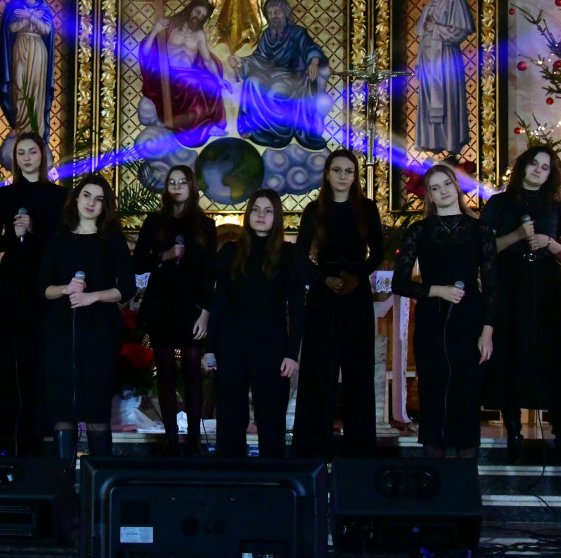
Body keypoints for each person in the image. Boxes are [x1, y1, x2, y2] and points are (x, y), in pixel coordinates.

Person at [480, 147, 561, 464]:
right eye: (534, 163)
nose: (538, 170)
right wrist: (517, 235)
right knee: (512, 354)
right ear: (523, 167)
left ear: (551, 174)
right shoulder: (499, 204)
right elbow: (485, 249)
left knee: (553, 355)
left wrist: (549, 243)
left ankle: (560, 436)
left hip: (546, 289)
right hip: (510, 289)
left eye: (545, 167)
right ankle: (514, 435)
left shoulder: (555, 207)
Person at [392, 164, 495, 458]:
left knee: (466, 392)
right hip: (432, 319)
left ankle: (465, 481)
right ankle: (434, 479)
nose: (442, 192)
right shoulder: (419, 231)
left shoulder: (481, 230)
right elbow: (400, 282)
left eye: (446, 184)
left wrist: (488, 330)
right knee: (433, 389)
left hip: (470, 320)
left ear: (457, 186)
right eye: (435, 188)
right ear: (429, 196)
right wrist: (435, 290)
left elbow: (491, 284)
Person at [38, 175, 136, 471]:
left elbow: (127, 287)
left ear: (105, 205)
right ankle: (62, 488)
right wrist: (67, 290)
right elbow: (44, 288)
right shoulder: (58, 240)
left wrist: (93, 297)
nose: (91, 203)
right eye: (86, 196)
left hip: (99, 331)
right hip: (61, 330)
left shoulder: (112, 240)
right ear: (76, 200)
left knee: (96, 408)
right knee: (63, 409)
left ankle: (100, 488)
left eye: (98, 199)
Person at [291, 149, 384, 459]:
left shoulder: (367, 209)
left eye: (349, 171)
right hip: (323, 294)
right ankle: (313, 449)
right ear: (327, 174)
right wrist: (323, 279)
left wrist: (359, 277)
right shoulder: (313, 210)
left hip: (356, 294)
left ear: (355, 176)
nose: (344, 176)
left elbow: (378, 252)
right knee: (320, 370)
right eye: (338, 170)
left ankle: (359, 450)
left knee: (358, 370)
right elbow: (300, 255)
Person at [203, 189, 303, 458]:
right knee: (231, 420)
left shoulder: (288, 255)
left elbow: (296, 308)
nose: (261, 215)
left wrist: (291, 354)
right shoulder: (230, 252)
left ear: (276, 218)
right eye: (256, 210)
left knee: (271, 421)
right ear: (248, 216)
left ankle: (273, 487)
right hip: (231, 344)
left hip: (271, 346)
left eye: (268, 211)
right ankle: (231, 486)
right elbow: (219, 302)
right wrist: (210, 348)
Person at [0, 131, 67, 456]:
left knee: (42, 350)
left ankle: (42, 422)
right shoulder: (4, 196)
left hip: (45, 281)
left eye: (33, 152)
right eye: (22, 153)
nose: (27, 158)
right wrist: (14, 234)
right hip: (13, 280)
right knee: (11, 350)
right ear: (15, 159)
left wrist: (33, 231)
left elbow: (61, 240)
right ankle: (7, 425)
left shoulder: (58, 196)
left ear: (42, 156)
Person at [132, 165, 217, 456]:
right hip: (162, 303)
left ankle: (194, 435)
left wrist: (206, 311)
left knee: (193, 367)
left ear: (192, 187)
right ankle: (171, 434)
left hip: (191, 304)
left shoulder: (205, 225)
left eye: (182, 182)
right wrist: (163, 256)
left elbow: (210, 273)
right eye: (172, 182)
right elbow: (139, 261)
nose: (177, 186)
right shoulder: (155, 222)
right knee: (165, 369)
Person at [228, 0, 330, 150]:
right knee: (252, 82)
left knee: (274, 92)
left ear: (285, 14)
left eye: (277, 12)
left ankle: (278, 134)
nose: (273, 16)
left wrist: (314, 61)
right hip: (268, 74)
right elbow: (259, 58)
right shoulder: (267, 35)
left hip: (292, 76)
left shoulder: (297, 33)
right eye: (270, 13)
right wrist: (242, 62)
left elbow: (311, 48)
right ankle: (253, 127)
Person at [140, 0, 230, 147]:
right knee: (192, 83)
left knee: (211, 85)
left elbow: (207, 60)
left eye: (202, 16)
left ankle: (209, 124)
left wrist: (219, 79)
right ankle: (204, 127)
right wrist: (155, 31)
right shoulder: (170, 26)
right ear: (190, 9)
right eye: (197, 12)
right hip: (171, 74)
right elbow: (146, 52)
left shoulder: (199, 34)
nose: (198, 17)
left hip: (190, 71)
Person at [414, 0, 475, 154]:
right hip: (428, 60)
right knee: (428, 100)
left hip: (446, 58)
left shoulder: (455, 2)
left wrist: (437, 28)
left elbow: (460, 32)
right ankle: (431, 140)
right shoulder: (429, 7)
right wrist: (418, 62)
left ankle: (450, 142)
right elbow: (423, 36)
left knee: (447, 100)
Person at [0, 0, 56, 142]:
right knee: (19, 86)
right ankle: (20, 127)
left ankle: (36, 131)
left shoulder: (43, 9)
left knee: (37, 89)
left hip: (38, 51)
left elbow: (46, 30)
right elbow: (12, 28)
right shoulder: (14, 7)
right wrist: (30, 18)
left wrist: (30, 16)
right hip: (20, 48)